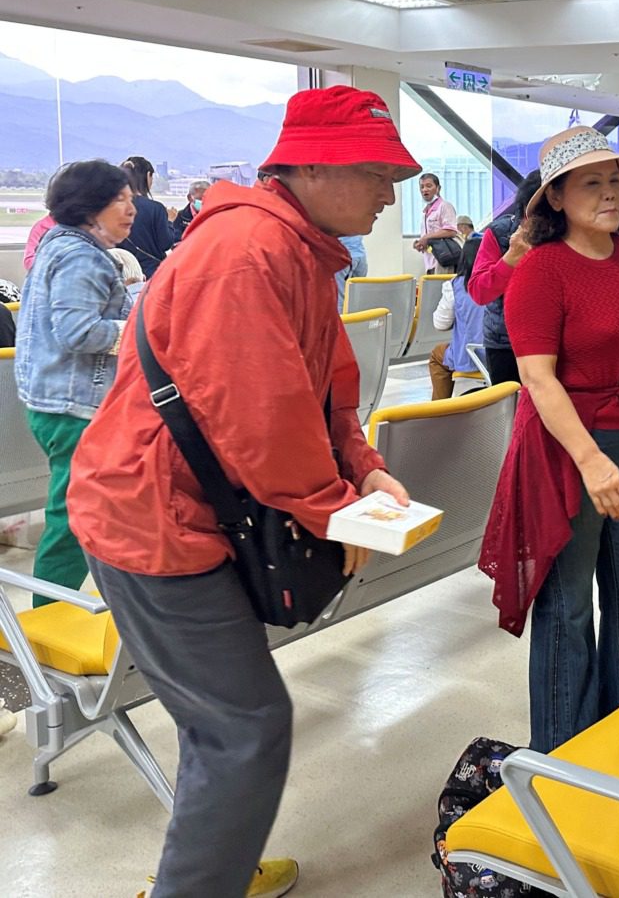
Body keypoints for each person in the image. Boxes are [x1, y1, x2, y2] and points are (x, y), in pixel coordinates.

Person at [66, 86, 418, 898]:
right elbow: (264, 422)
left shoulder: (301, 250)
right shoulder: (248, 254)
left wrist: (361, 464)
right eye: (376, 173)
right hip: (151, 520)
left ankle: (213, 858)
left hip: (193, 510)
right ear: (316, 169)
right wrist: (339, 511)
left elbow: (325, 386)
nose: (390, 194)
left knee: (221, 721)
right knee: (245, 726)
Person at [477, 126, 619, 754]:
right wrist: (591, 459)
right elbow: (536, 377)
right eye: (591, 183)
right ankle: (561, 748)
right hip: (566, 453)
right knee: (570, 604)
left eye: (614, 181)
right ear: (555, 197)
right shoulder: (540, 271)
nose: (609, 194)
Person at [14, 161, 135, 606]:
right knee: (73, 518)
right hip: (73, 407)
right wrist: (137, 327)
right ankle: (49, 619)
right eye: (119, 199)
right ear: (89, 207)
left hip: (55, 401)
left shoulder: (58, 245)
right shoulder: (82, 256)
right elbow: (79, 331)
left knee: (84, 511)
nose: (131, 208)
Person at [468, 171, 543, 387]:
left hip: (558, 341)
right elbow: (479, 292)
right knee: (512, 411)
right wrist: (510, 258)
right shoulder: (501, 233)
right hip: (506, 343)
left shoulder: (571, 233)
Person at [429, 235, 486, 399]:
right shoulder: (505, 281)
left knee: (436, 356)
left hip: (472, 355)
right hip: (506, 355)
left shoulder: (454, 286)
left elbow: (440, 323)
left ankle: (439, 413)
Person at [118, 156, 176, 279]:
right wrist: (170, 221)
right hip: (152, 273)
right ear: (148, 175)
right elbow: (165, 243)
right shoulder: (155, 208)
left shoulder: (111, 207)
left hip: (123, 273)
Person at [413, 171, 459, 272]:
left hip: (443, 261)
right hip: (429, 262)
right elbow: (429, 236)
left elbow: (451, 231)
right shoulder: (425, 212)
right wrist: (420, 243)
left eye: (429, 186)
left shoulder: (445, 206)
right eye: (422, 187)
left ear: (438, 188)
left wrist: (426, 237)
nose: (424, 190)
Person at [334, 233, 367, 309]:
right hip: (360, 256)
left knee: (340, 297)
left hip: (343, 257)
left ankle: (342, 319)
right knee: (357, 296)